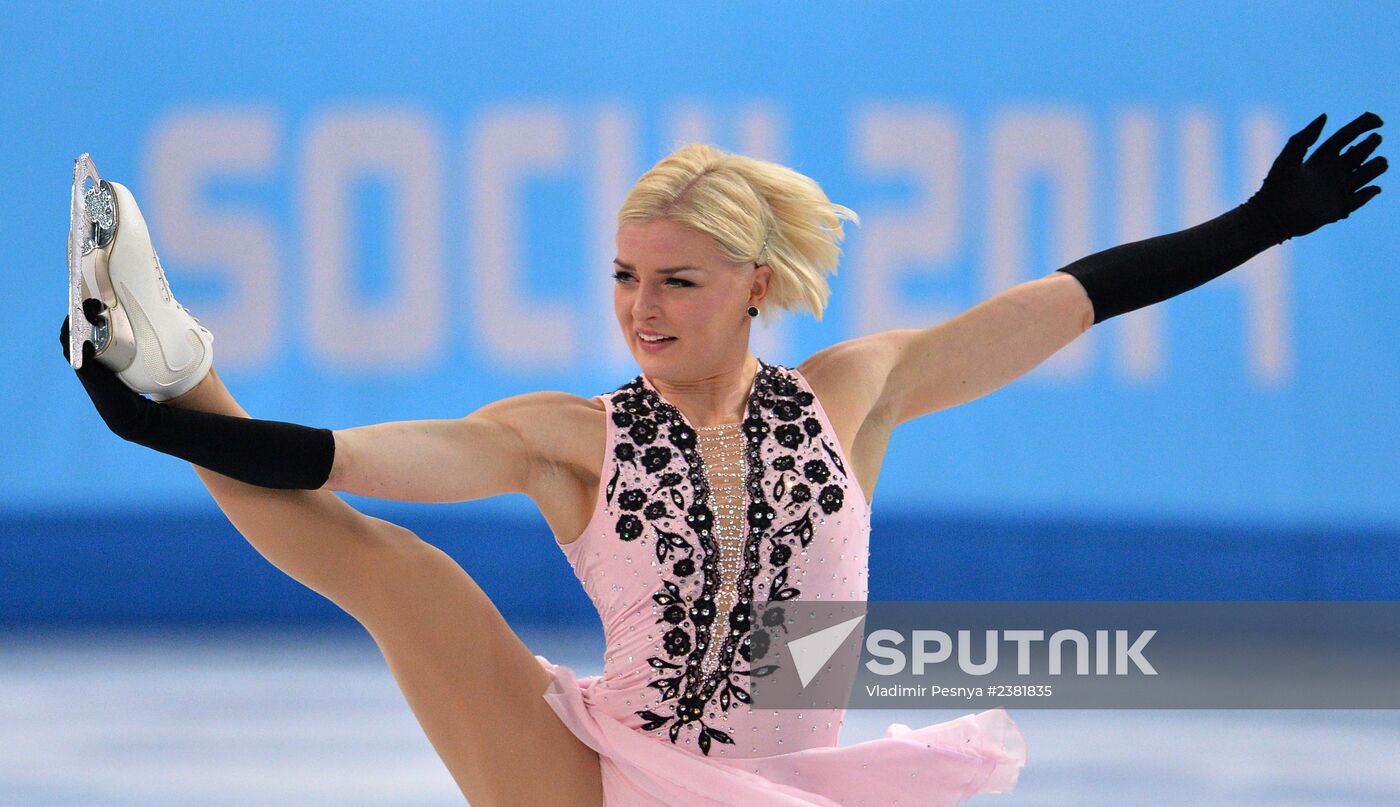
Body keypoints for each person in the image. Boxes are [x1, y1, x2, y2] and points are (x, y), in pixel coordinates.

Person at [61, 111, 1385, 806]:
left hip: (778, 791)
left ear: (756, 283)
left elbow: (1070, 297)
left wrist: (1260, 222)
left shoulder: (854, 394)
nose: (642, 309)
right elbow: (342, 460)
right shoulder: (574, 435)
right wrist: (159, 421)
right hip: (597, 784)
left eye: (679, 281)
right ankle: (180, 360)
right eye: (626, 277)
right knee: (402, 579)